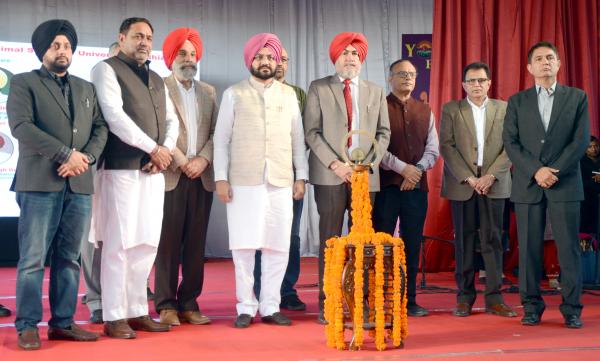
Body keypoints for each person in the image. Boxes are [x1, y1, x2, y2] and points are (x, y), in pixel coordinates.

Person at [7, 19, 107, 350]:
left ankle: (63, 323)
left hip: (79, 185)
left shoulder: (85, 88)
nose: (62, 50)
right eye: (55, 45)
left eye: (66, 45)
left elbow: (100, 129)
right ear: (42, 50)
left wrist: (86, 159)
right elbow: (22, 127)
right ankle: (27, 325)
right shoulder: (23, 83)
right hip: (38, 184)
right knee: (33, 259)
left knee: (69, 258)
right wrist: (66, 153)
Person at [90, 17, 178, 338]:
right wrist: (153, 148)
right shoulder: (105, 69)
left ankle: (137, 310)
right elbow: (114, 116)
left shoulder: (156, 77)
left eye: (149, 37)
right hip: (120, 168)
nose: (144, 42)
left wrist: (165, 150)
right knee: (119, 243)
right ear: (122, 37)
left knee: (146, 242)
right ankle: (114, 315)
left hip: (153, 170)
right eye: (138, 36)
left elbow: (172, 121)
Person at [213, 33, 308, 328]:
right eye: (259, 57)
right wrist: (220, 178)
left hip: (280, 180)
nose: (265, 62)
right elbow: (221, 140)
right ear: (250, 60)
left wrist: (301, 176)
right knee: (243, 247)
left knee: (277, 246)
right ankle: (245, 306)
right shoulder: (234, 94)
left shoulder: (288, 95)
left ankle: (270, 306)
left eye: (270, 57)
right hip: (243, 181)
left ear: (277, 61)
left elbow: (297, 139)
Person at [303, 32, 390, 323]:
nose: (350, 57)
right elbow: (312, 132)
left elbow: (383, 133)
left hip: (366, 178)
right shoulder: (318, 88)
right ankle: (328, 302)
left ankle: (360, 302)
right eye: (345, 53)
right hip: (330, 177)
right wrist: (336, 165)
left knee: (362, 242)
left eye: (355, 53)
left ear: (361, 59)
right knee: (330, 240)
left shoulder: (375, 91)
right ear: (335, 58)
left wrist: (367, 166)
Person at [503, 41, 590, 329]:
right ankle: (531, 306)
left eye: (550, 57)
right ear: (529, 67)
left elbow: (580, 141)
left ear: (559, 63)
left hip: (565, 184)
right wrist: (535, 171)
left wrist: (554, 171)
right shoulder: (517, 101)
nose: (545, 62)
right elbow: (511, 143)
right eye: (539, 59)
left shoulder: (577, 97)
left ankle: (572, 308)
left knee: (568, 249)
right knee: (528, 249)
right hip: (529, 185)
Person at [440, 62, 516, 318]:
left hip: (495, 183)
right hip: (464, 185)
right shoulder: (452, 109)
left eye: (481, 80)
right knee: (464, 240)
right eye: (471, 81)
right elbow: (447, 147)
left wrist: (491, 175)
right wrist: (470, 178)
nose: (476, 85)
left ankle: (494, 297)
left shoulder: (504, 108)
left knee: (494, 240)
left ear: (489, 83)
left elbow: (511, 146)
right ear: (463, 85)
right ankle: (465, 297)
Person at [154, 27, 217, 326]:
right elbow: (156, 131)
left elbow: (219, 133)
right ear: (170, 57)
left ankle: (189, 302)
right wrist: (181, 160)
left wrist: (203, 159)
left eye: (193, 54)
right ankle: (165, 304)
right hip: (171, 173)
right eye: (182, 53)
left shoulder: (208, 92)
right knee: (167, 243)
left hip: (201, 176)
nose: (189, 59)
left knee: (195, 243)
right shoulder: (158, 87)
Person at [373, 59, 439, 317]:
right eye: (401, 74)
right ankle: (380, 299)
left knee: (411, 245)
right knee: (382, 244)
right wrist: (403, 169)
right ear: (390, 78)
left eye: (411, 74)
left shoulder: (425, 110)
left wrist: (417, 170)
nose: (407, 78)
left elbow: (433, 149)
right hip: (387, 188)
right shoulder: (379, 107)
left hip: (416, 190)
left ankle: (408, 300)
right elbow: (377, 148)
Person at [253, 47, 308, 311]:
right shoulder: (250, 90)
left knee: (291, 235)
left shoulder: (298, 94)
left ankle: (286, 290)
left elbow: (303, 138)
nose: (280, 64)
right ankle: (258, 290)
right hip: (257, 177)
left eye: (284, 59)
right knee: (258, 233)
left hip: (290, 177)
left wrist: (301, 176)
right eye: (276, 58)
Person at [80, 40, 122, 325]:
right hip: (96, 169)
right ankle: (95, 299)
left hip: (131, 172)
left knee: (125, 237)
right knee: (93, 238)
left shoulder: (142, 90)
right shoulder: (89, 91)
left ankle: (125, 296)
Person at [579, 136, 600, 235]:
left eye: (596, 146)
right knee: (588, 229)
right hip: (587, 200)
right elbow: (580, 183)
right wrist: (596, 180)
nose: (594, 149)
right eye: (590, 147)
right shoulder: (580, 162)